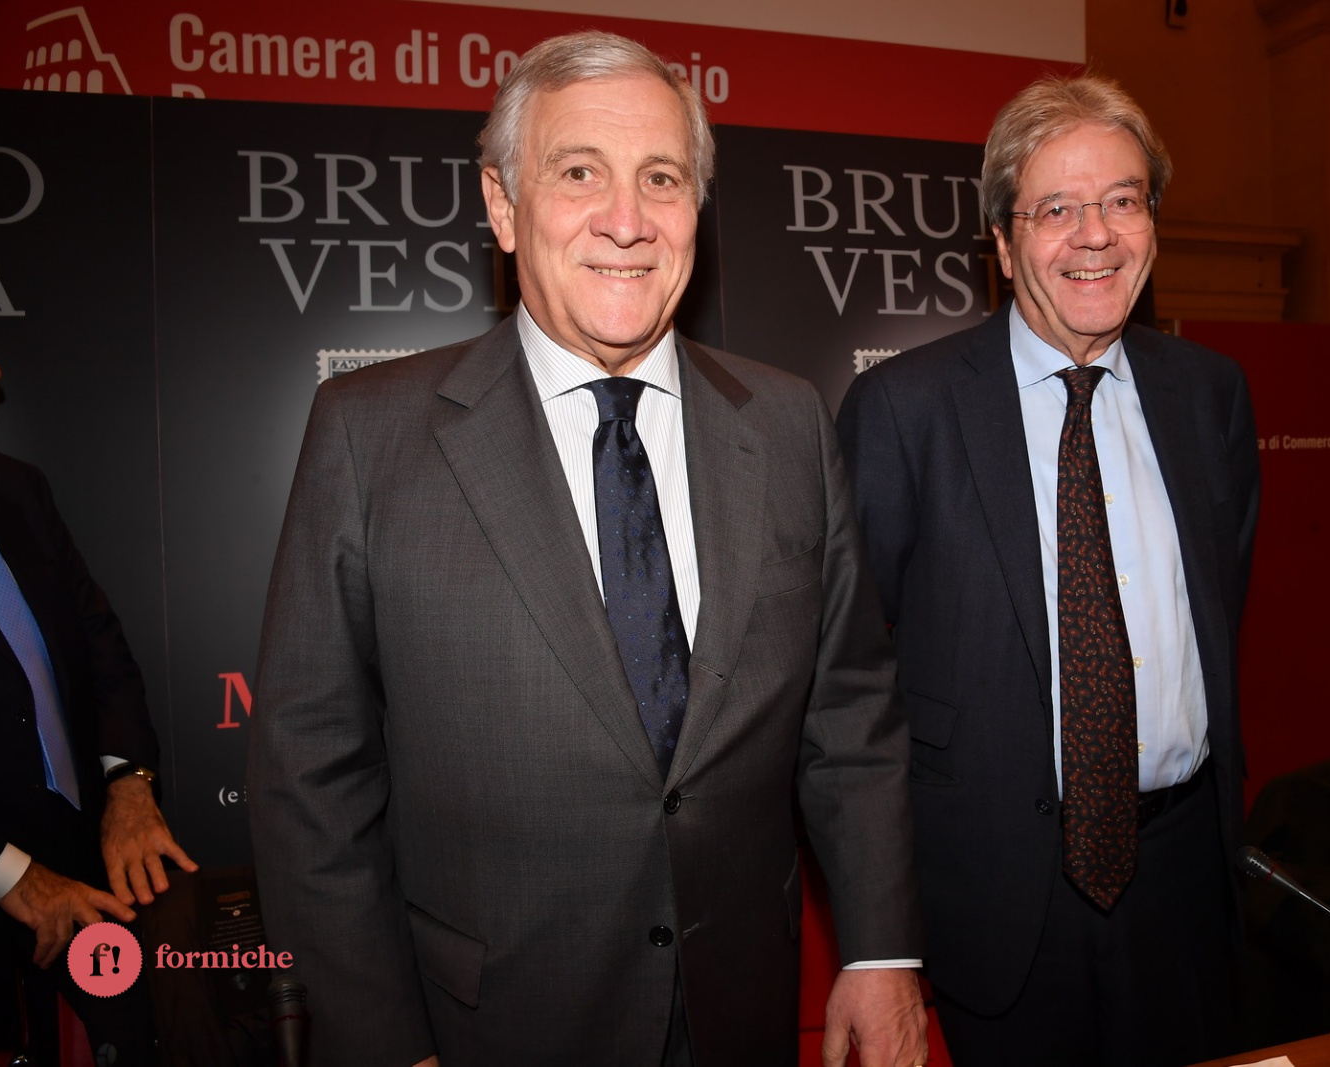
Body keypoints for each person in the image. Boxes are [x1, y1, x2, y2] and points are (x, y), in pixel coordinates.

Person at [248, 31, 925, 1067]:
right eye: (578, 173)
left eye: (662, 177)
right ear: (502, 205)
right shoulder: (368, 433)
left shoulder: (788, 421)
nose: (627, 218)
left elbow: (851, 717)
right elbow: (309, 777)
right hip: (488, 1027)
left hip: (739, 1010)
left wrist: (879, 951)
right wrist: (385, 1043)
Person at [837, 75, 1260, 1066]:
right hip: (994, 895)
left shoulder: (1212, 395)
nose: (1095, 235)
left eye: (1121, 200)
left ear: (1151, 221)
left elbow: (1220, 610)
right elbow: (843, 685)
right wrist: (881, 937)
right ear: (1002, 240)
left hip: (1185, 885)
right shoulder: (904, 410)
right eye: (1057, 208)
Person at [0, 317, 197, 1062]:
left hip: (87, 882)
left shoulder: (16, 489)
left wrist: (128, 786)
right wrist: (8, 873)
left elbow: (99, 646)